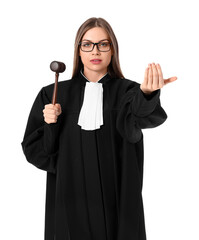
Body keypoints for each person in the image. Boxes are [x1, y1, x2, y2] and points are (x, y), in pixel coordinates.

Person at [21, 17, 177, 240]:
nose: (95, 51)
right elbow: (39, 153)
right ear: (78, 51)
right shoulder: (54, 94)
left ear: (113, 50)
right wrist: (49, 124)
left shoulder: (129, 91)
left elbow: (143, 117)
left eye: (103, 44)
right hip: (70, 200)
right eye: (87, 44)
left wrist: (147, 94)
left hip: (117, 199)